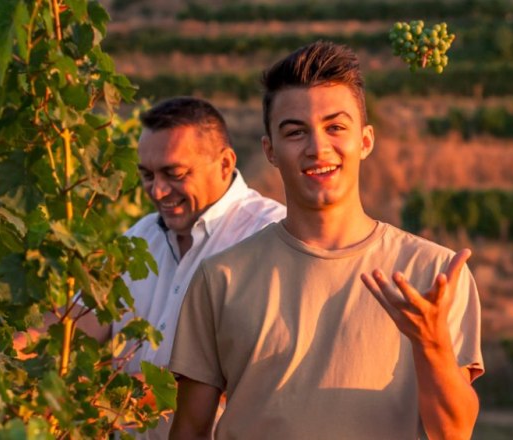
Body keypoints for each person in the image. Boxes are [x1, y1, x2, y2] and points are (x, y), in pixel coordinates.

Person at [169, 42, 484, 439]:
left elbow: (454, 431)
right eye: (295, 132)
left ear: (366, 141)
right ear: (270, 151)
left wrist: (431, 343)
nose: (318, 148)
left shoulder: (434, 275)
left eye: (336, 127)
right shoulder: (221, 278)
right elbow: (190, 430)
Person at [14, 97, 285, 438]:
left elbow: (244, 375)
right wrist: (9, 355)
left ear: (225, 164)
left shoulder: (268, 237)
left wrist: (95, 399)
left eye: (174, 174)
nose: (157, 190)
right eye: (147, 175)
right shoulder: (141, 236)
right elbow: (78, 322)